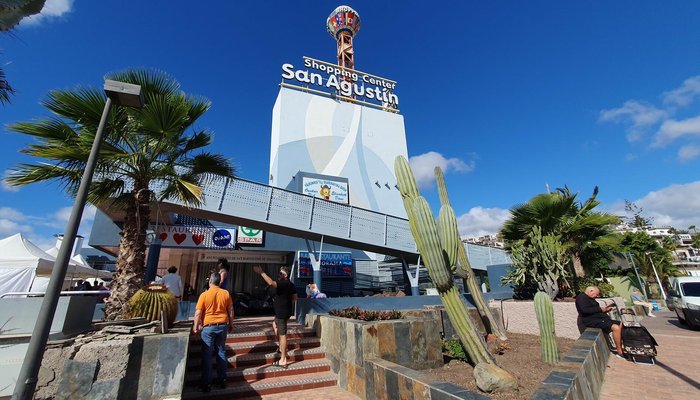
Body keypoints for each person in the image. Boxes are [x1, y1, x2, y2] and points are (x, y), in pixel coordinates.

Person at [193, 272, 234, 392]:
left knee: (207, 355)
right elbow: (230, 310)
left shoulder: (204, 295)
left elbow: (198, 313)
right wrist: (231, 324)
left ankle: (207, 383)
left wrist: (195, 327)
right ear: (218, 282)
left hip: (208, 327)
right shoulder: (225, 293)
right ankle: (223, 380)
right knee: (221, 351)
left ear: (210, 282)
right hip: (222, 326)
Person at [253, 265, 297, 368]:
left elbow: (270, 282)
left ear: (285, 275)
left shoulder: (284, 283)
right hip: (284, 313)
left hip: (282, 314)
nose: (279, 275)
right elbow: (294, 298)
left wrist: (261, 272)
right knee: (274, 324)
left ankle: (283, 359)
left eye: (280, 273)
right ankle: (282, 348)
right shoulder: (291, 284)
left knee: (283, 335)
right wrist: (284, 301)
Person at [576, 286, 625, 358]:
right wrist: (600, 309)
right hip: (592, 321)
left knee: (621, 324)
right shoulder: (582, 298)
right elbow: (585, 310)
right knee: (615, 328)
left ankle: (621, 345)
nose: (597, 296)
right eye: (596, 294)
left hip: (600, 319)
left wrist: (605, 310)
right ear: (591, 291)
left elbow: (594, 309)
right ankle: (619, 350)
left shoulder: (590, 298)